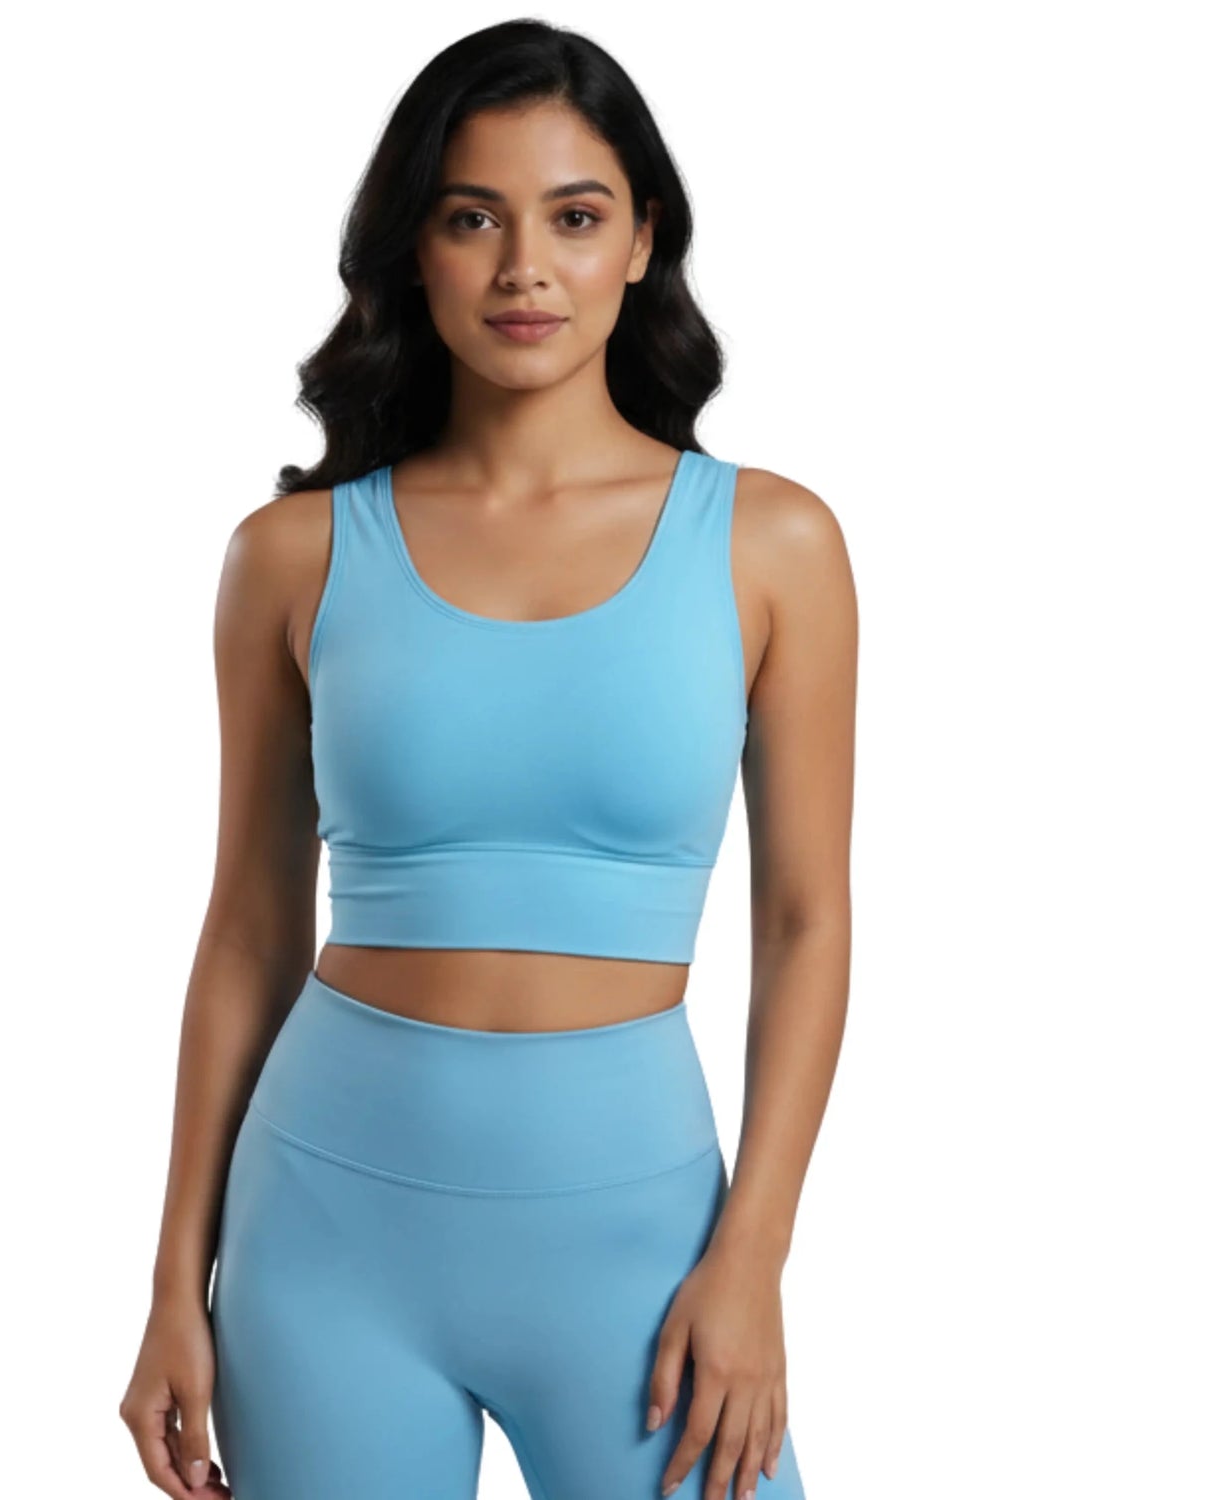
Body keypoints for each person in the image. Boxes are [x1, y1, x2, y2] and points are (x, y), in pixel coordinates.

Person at [120, 19, 855, 1500]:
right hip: (323, 1242)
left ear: (642, 241)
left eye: (574, 218)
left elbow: (805, 923)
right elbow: (249, 929)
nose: (525, 268)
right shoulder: (293, 556)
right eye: (473, 219)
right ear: (416, 250)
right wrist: (170, 1287)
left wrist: (756, 1259)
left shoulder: (772, 543)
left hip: (646, 1256)